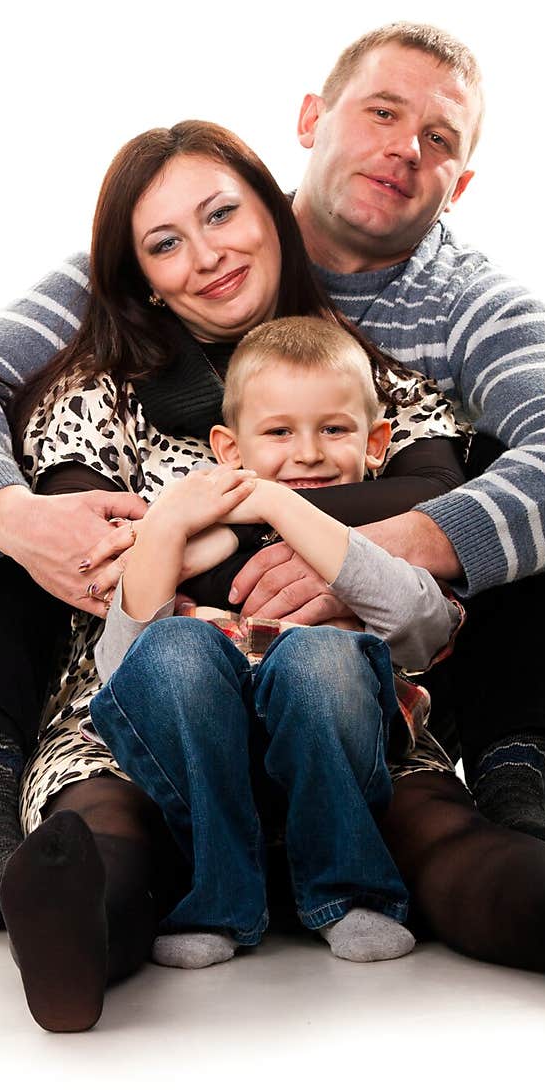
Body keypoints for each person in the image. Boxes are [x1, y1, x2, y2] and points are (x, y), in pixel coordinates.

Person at [0, 21, 545, 922]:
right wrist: (11, 515)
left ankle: (519, 797)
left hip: (375, 655)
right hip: (155, 638)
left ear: (460, 182)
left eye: (437, 139)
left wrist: (371, 551)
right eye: (382, 111)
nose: (403, 148)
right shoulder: (157, 256)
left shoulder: (462, 308)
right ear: (313, 118)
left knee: (526, 480)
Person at [0, 129, 545, 1033]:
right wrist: (165, 537)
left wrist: (253, 524)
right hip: (152, 719)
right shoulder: (94, 390)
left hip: (344, 701)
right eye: (165, 243)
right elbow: (107, 574)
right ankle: (73, 943)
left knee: (436, 820)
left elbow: (449, 520)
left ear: (275, 213)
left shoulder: (376, 374)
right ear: (138, 272)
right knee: (112, 818)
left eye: (223, 214)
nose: (206, 255)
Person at [87, 316, 463, 971]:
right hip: (211, 764)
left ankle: (347, 893)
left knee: (318, 656)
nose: (309, 453)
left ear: (377, 442)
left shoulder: (373, 539)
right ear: (229, 450)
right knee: (175, 647)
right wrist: (169, 521)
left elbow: (423, 626)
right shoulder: (192, 548)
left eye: (335, 429)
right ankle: (218, 901)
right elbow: (123, 671)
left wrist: (279, 504)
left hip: (335, 750)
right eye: (280, 432)